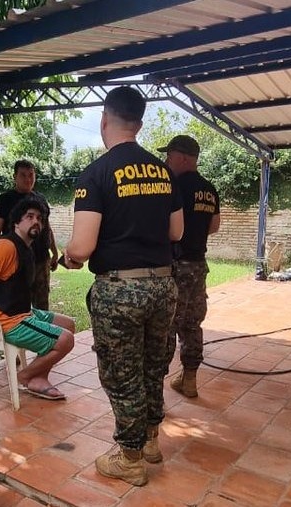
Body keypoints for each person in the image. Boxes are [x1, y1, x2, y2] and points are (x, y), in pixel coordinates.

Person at [63, 86, 184, 486]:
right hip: (164, 286)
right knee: (154, 365)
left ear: (104, 119)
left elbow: (82, 246)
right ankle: (150, 441)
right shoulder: (164, 172)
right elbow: (176, 230)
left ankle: (130, 457)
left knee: (122, 372)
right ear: (140, 122)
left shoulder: (96, 174)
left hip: (120, 291)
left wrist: (70, 254)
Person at [0, 198, 74, 400]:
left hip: (22, 312)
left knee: (69, 325)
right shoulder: (5, 247)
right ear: (17, 221)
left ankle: (38, 377)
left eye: (40, 219)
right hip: (3, 320)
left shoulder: (26, 247)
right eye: (30, 217)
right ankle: (24, 376)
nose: (37, 222)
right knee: (65, 339)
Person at [157, 135, 221, 398]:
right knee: (193, 324)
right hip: (198, 264)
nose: (165, 160)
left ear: (182, 157)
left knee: (166, 326)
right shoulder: (209, 188)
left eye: (169, 155)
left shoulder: (174, 186)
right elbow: (214, 227)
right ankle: (190, 379)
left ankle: (156, 394)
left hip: (176, 265)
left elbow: (166, 227)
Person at [0, 159, 58, 310]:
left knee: (42, 303)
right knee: (18, 303)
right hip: (16, 260)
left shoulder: (40, 199)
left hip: (41, 259)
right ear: (15, 177)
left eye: (31, 175)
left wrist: (53, 251)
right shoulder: (4, 200)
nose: (28, 179)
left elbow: (47, 227)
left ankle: (42, 332)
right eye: (23, 175)